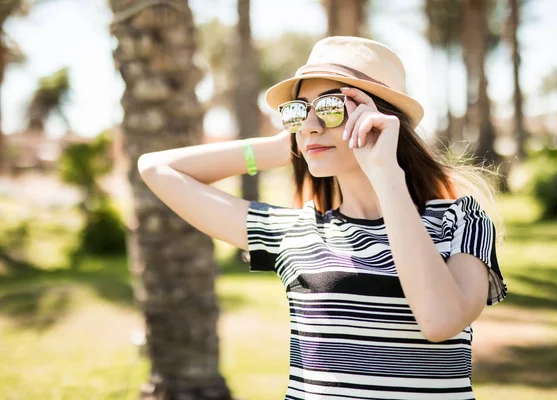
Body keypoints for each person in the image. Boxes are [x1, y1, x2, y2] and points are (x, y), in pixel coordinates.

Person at [138, 36, 508, 400]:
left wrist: (386, 174)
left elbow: (440, 322)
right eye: (299, 110)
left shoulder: (461, 219)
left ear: (380, 118)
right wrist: (286, 145)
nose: (311, 124)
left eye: (331, 106)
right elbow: (156, 168)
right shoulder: (293, 231)